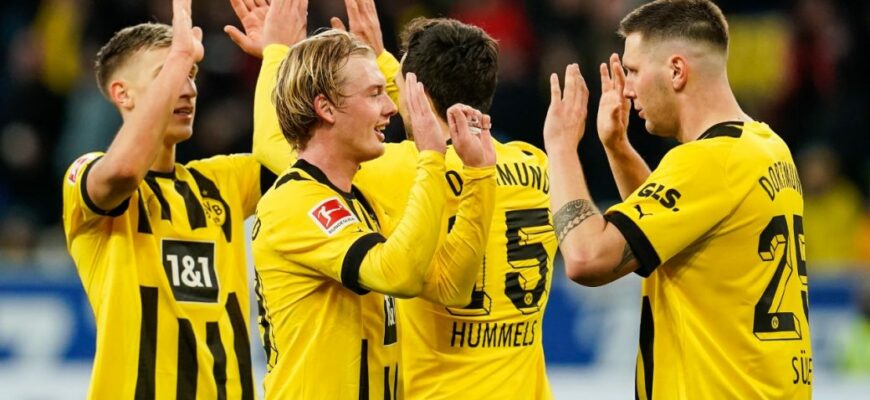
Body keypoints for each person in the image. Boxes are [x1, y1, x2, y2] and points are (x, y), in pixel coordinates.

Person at [226, 0, 557, 397]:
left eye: (391, 89)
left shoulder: (392, 172)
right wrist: (380, 61)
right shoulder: (532, 162)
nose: (390, 108)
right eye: (377, 93)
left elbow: (278, 143)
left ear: (413, 91)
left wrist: (277, 52)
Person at [542, 0, 812, 399]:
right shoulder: (768, 147)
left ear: (676, 70)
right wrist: (617, 148)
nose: (627, 88)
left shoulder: (708, 161)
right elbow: (665, 233)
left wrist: (561, 147)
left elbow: (586, 258)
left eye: (633, 71)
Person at [61, 0, 272, 398]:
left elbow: (303, 159)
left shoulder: (222, 181)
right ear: (122, 94)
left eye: (192, 74)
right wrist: (179, 58)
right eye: (168, 75)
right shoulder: (87, 174)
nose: (188, 89)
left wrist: (280, 56)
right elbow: (124, 171)